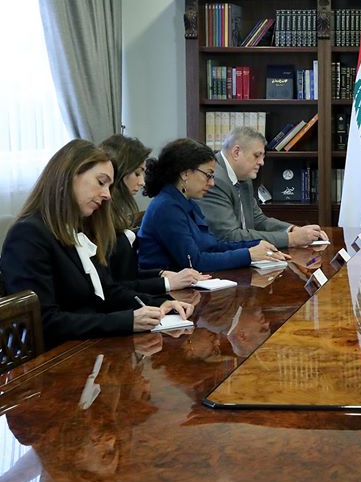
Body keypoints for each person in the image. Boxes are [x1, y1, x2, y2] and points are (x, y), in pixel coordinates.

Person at [0, 139, 192, 347]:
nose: (107, 195)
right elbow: (44, 322)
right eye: (101, 182)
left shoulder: (78, 229)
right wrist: (127, 321)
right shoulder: (28, 234)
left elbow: (108, 291)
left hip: (89, 347)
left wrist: (161, 303)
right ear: (68, 175)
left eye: (109, 186)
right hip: (57, 360)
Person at [138, 138, 285, 272]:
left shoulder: (188, 203)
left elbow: (213, 246)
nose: (212, 183)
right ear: (185, 174)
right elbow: (195, 262)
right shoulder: (166, 208)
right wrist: (248, 255)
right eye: (208, 175)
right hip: (167, 295)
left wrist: (256, 245)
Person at [100, 134, 208, 293]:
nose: (142, 181)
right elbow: (111, 286)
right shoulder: (100, 219)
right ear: (120, 172)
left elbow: (124, 276)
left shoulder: (115, 215)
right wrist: (166, 283)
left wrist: (160, 274)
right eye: (137, 173)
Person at [198, 126, 327, 247]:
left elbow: (258, 220)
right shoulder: (214, 180)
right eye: (257, 155)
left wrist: (293, 230)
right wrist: (291, 239)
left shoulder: (243, 176)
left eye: (263, 156)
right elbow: (229, 236)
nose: (261, 162)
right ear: (236, 152)